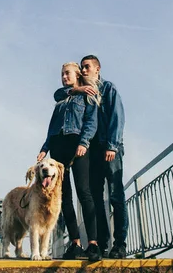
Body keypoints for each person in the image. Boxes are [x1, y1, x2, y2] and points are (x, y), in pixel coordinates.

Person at [54, 55, 127, 259]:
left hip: (110, 148)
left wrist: (112, 146)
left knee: (115, 195)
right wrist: (76, 89)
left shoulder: (108, 88)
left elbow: (117, 118)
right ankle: (102, 243)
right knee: (96, 197)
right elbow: (58, 94)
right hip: (93, 152)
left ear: (98, 69)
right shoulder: (81, 92)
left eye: (87, 67)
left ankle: (120, 243)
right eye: (82, 68)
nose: (84, 71)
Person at [37, 62, 102, 261]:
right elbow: (52, 126)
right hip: (58, 148)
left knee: (84, 192)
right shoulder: (62, 99)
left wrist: (84, 142)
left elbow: (91, 121)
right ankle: (75, 242)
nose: (64, 77)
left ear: (77, 75)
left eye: (68, 74)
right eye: (62, 74)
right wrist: (45, 147)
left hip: (77, 145)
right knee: (64, 195)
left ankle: (93, 244)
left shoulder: (88, 95)